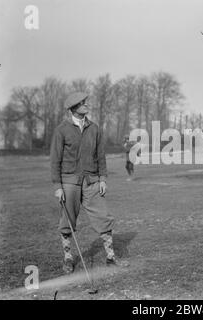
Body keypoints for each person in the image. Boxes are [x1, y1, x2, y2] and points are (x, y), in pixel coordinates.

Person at [50, 92, 129, 273]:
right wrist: (57, 187)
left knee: (104, 217)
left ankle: (110, 257)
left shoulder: (94, 128)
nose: (86, 105)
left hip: (92, 182)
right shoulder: (61, 130)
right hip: (69, 182)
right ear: (74, 108)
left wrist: (102, 179)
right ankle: (69, 258)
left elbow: (100, 156)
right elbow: (55, 160)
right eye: (82, 103)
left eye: (85, 103)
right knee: (67, 221)